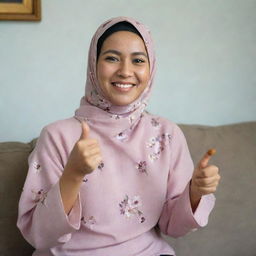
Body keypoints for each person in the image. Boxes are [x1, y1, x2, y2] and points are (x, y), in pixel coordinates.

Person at [17, 16, 220, 256]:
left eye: (138, 60)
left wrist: (195, 192)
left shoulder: (167, 134)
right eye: (112, 58)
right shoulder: (57, 136)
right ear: (94, 64)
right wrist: (73, 174)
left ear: (151, 67)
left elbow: (173, 227)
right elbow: (39, 235)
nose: (125, 71)